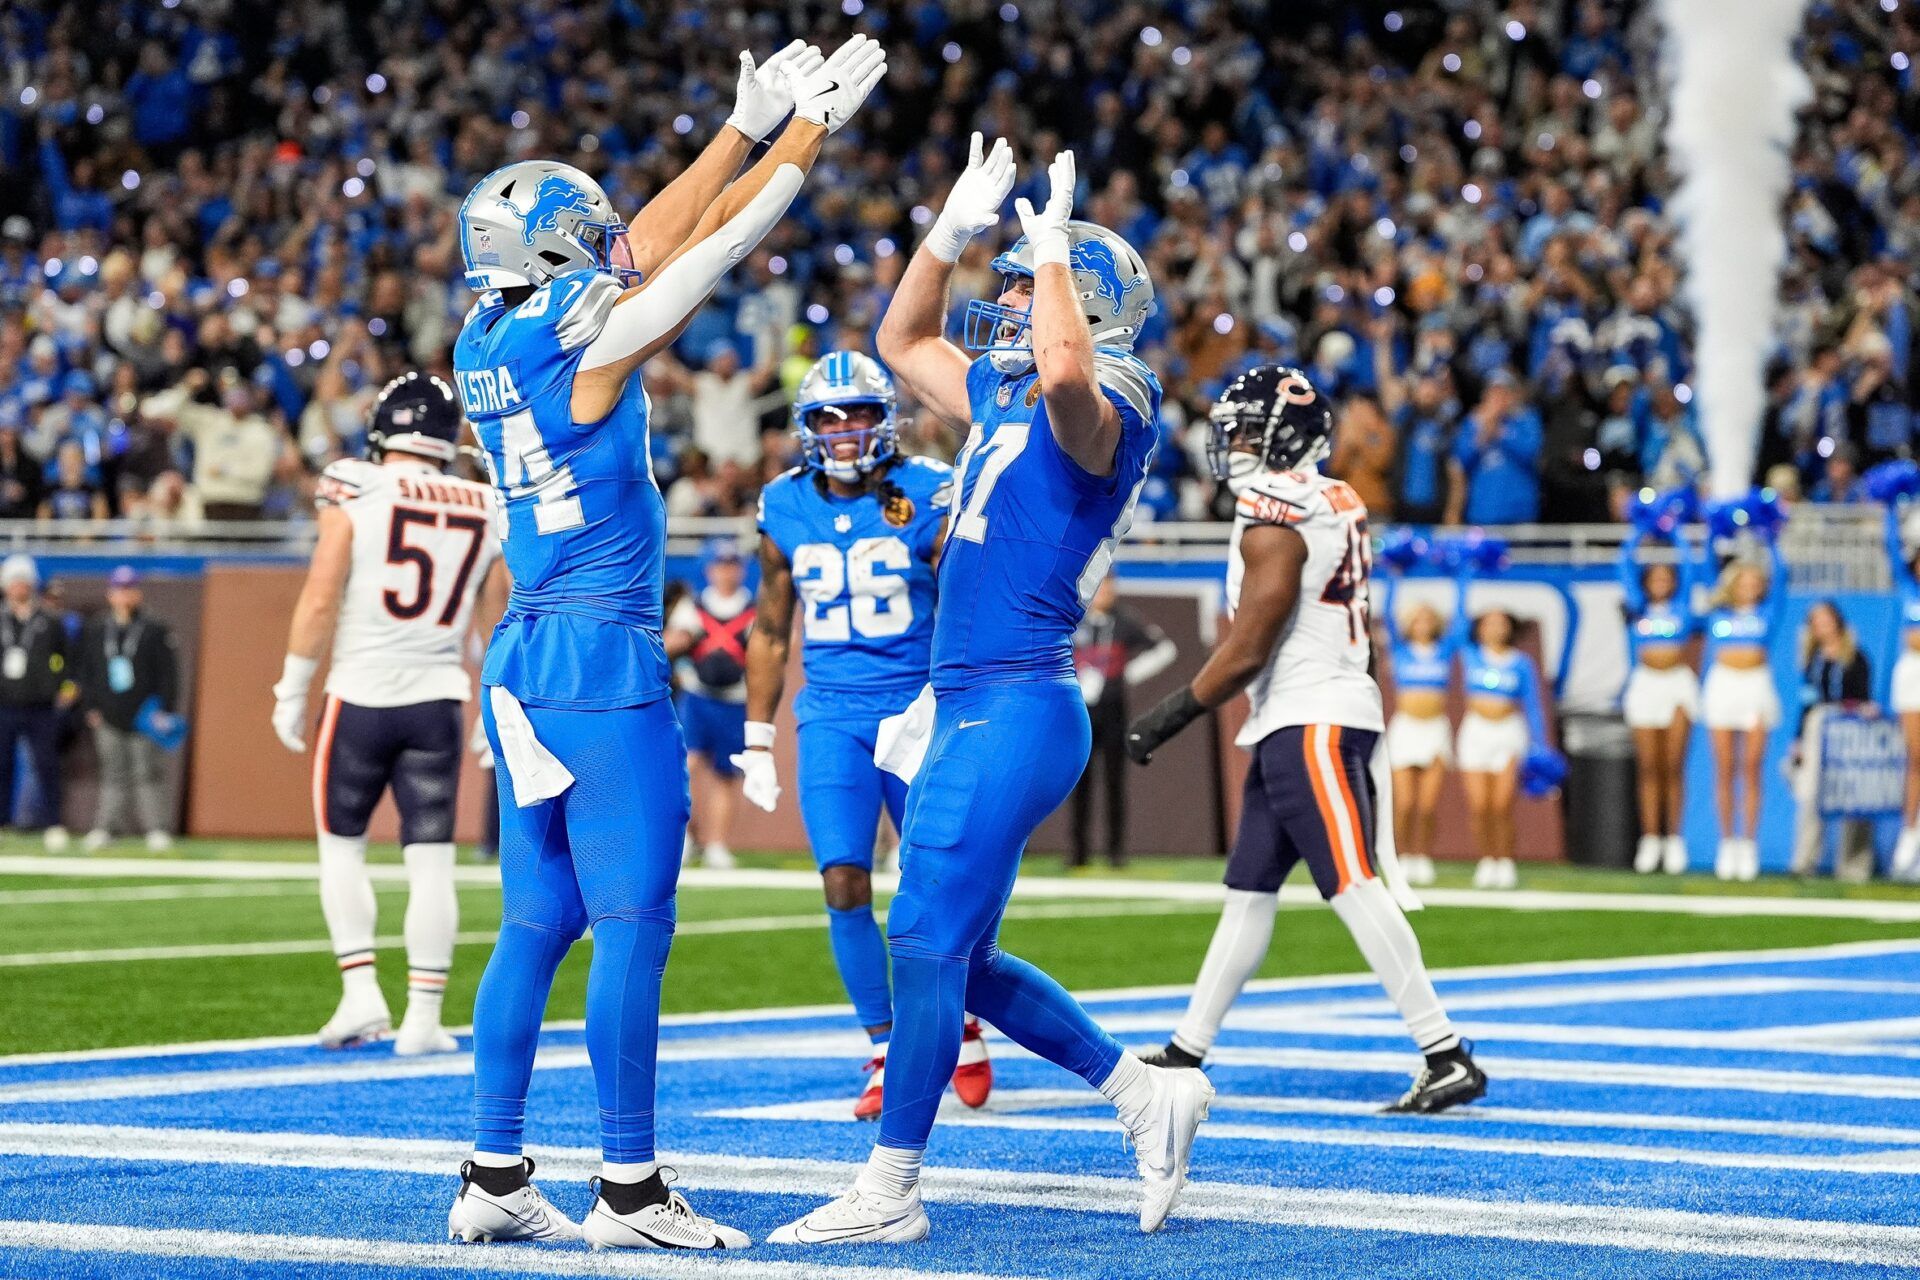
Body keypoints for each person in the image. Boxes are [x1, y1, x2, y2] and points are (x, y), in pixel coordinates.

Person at [443, 36, 886, 1252]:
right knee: (634, 921)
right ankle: (629, 1188)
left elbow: (638, 244)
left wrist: (737, 131)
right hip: (596, 653)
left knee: (534, 925)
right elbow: (706, 252)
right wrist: (808, 138)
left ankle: (492, 1170)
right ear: (548, 257)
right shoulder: (579, 345)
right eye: (579, 236)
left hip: (523, 656)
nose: (602, 245)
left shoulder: (489, 334)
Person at [772, 140, 1211, 1246]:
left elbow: (1070, 378)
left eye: (1026, 287)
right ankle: (1140, 1092)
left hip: (1014, 698)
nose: (1006, 301)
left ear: (1084, 300)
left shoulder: (1109, 394)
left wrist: (1055, 248)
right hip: (968, 700)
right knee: (958, 955)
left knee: (920, 941)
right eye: (1009, 281)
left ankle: (890, 1189)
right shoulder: (1002, 387)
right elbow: (898, 339)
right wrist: (947, 231)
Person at [1126, 366, 1485, 1113]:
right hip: (1313, 711)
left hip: (1309, 717)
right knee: (1248, 893)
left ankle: (1444, 1050)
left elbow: (1252, 641)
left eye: (1246, 431)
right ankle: (1190, 1045)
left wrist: (1167, 716)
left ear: (1282, 435)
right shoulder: (1332, 498)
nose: (1231, 444)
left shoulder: (1276, 511)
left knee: (1352, 885)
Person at [739, 348, 991, 1121]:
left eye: (860, 414)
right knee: (844, 883)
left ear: (888, 420)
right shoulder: (783, 504)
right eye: (828, 417)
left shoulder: (928, 491)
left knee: (940, 886)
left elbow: (969, 607)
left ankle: (968, 1018)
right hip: (834, 717)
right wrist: (755, 733)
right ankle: (885, 1046)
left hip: (917, 710)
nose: (845, 431)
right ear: (806, 426)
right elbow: (773, 626)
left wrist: (957, 700)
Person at [270, 373, 506, 1056]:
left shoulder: (357, 484)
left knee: (342, 849)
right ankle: (424, 1018)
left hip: (361, 694)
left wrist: (292, 686)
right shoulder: (485, 500)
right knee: (431, 863)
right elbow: (498, 615)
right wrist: (496, 702)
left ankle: (361, 994)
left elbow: (321, 594)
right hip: (440, 698)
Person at [1070, 576, 1176, 868]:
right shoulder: (1074, 618)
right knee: (1079, 781)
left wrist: (1128, 674)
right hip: (1080, 711)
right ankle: (1078, 852)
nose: (1105, 592)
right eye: (1100, 586)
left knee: (1114, 781)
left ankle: (1115, 851)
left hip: (1114, 709)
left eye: (1109, 586)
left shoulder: (1125, 620)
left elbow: (1164, 648)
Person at [1700, 536, 1788, 882]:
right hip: (1723, 685)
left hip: (1755, 686)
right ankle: (1727, 842)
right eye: (1744, 581)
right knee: (1724, 768)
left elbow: (1781, 575)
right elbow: (1707, 566)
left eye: (1755, 582)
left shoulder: (1768, 612)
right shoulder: (1717, 612)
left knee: (1751, 768)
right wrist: (1716, 530)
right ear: (1733, 584)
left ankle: (1749, 842)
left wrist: (1770, 536)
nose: (1750, 587)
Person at [75, 566, 180, 851]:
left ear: (138, 593)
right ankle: (108, 826)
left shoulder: (153, 628)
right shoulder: (97, 628)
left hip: (145, 713)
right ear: (110, 594)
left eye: (129, 589)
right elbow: (87, 670)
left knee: (148, 772)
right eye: (119, 590)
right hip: (108, 713)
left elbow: (168, 673)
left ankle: (156, 828)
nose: (124, 596)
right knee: (112, 772)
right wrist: (91, 707)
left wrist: (164, 709)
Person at [664, 540, 755, 871]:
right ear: (709, 569)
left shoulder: (753, 609)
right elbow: (674, 642)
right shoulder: (694, 607)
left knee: (727, 775)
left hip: (735, 699)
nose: (726, 572)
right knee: (686, 765)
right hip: (699, 697)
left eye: (732, 564)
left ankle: (717, 843)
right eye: (720, 564)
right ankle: (685, 838)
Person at [1618, 528, 1701, 875]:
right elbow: (1623, 562)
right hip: (1645, 684)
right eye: (1656, 576)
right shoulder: (1638, 610)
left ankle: (1674, 838)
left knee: (1673, 765)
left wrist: (1676, 533)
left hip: (1677, 684)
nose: (1662, 581)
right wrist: (1642, 529)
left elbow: (1693, 569)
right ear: (1646, 582)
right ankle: (1650, 839)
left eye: (1668, 576)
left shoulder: (1682, 608)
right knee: (1649, 766)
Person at [1377, 572, 1468, 887]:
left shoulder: (1445, 651)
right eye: (1418, 618)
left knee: (1428, 804)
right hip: (1406, 729)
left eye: (1429, 618)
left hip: (1435, 729)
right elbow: (1387, 615)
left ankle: (1422, 855)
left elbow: (1461, 621)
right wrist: (1395, 577)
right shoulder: (1399, 651)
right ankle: (1400, 857)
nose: (1423, 623)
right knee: (1403, 803)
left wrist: (1463, 576)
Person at [1457, 595, 1550, 891]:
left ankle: (1505, 860)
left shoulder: (1521, 663)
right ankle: (1486, 859)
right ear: (1480, 628)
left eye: (1501, 623)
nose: (1495, 628)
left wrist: (1540, 744)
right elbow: (1458, 621)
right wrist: (1465, 574)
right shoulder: (1470, 654)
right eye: (1489, 623)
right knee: (1479, 806)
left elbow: (1533, 704)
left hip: (1508, 732)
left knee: (1501, 804)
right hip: (1475, 733)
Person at [1789, 600, 1875, 880]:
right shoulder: (1812, 660)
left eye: (1826, 619)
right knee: (1810, 793)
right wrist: (1798, 738)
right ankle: (1804, 860)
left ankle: (1854, 864)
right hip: (1818, 725)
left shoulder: (1855, 656)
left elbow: (1864, 697)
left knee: (1854, 796)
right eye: (1816, 621)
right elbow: (1807, 702)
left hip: (1849, 726)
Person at [0, 554, 73, 850]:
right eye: (14, 582)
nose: (19, 587)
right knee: (1, 766)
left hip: (40, 705)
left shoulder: (49, 620)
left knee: (47, 766)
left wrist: (65, 686)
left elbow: (66, 658)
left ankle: (53, 822)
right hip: (4, 703)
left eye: (24, 582)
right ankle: (3, 822)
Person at [1886, 503, 1920, 878]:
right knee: (1915, 756)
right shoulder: (1908, 591)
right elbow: (1891, 550)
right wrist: (1890, 509)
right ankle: (1909, 833)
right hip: (1912, 675)